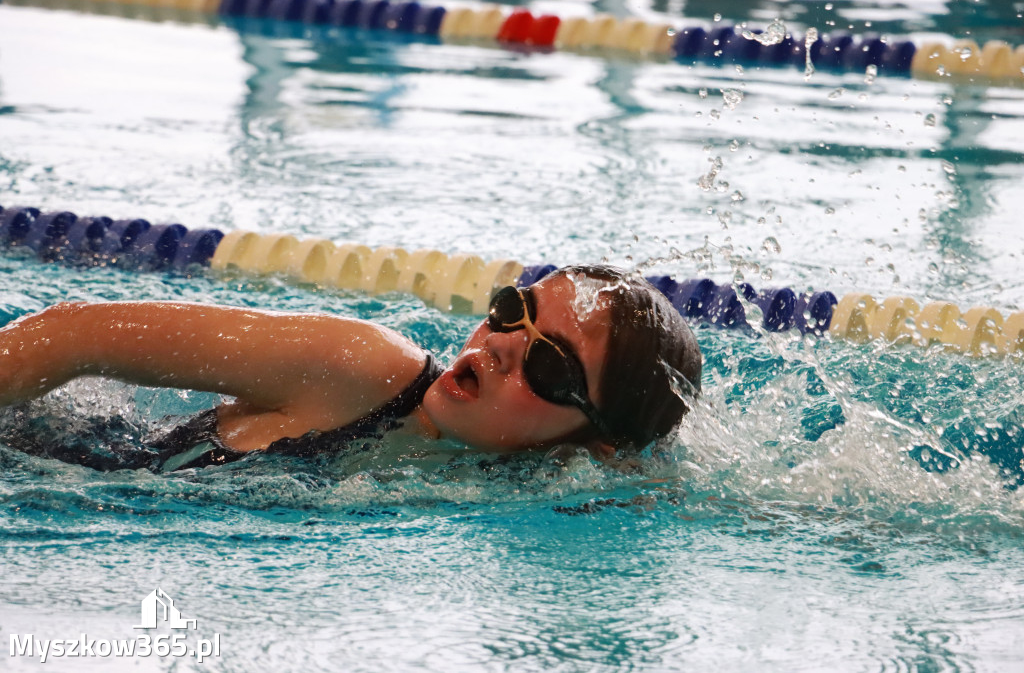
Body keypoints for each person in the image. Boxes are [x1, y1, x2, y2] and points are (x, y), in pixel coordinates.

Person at [0, 265, 702, 472]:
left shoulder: (515, 481)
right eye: (512, 308)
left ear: (591, 442)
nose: (498, 342)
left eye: (549, 367)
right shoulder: (364, 370)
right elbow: (73, 332)